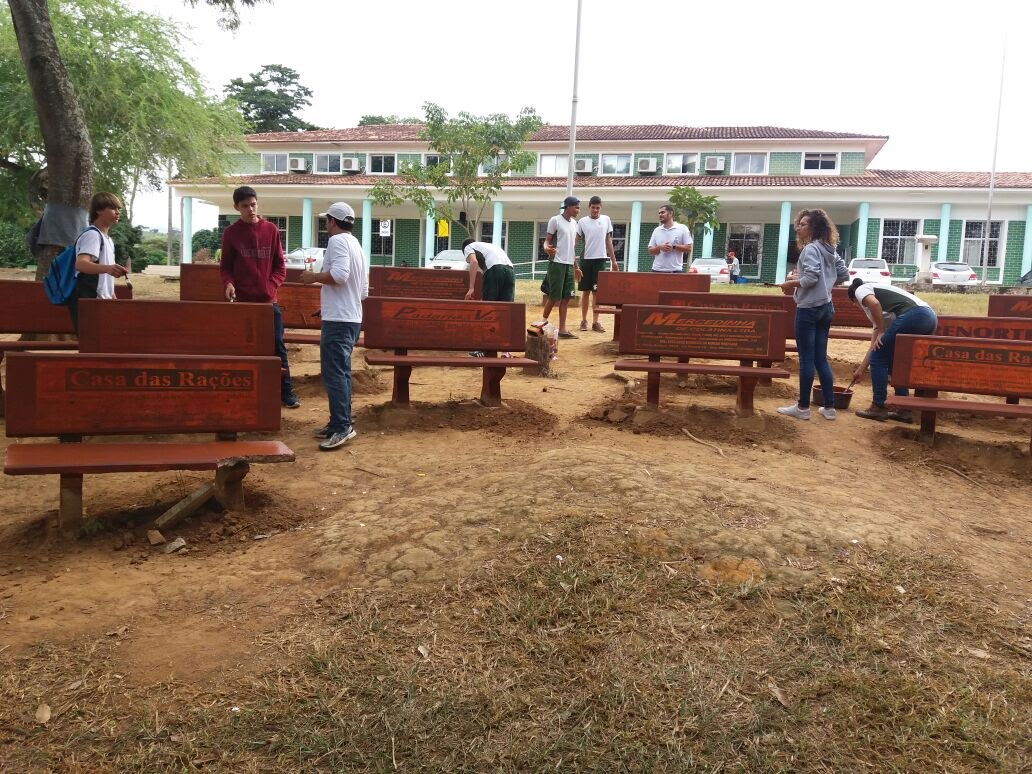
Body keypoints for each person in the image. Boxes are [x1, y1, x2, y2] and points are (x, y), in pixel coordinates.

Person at [219, 185, 300, 409]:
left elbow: (280, 267)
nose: (250, 209)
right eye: (245, 206)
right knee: (244, 347)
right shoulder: (231, 233)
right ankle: (245, 393)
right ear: (236, 207)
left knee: (278, 347)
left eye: (253, 204)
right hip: (243, 303)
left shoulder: (271, 230)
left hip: (269, 302)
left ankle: (286, 392)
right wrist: (229, 283)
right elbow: (225, 267)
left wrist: (270, 287)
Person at [300, 202, 368, 450]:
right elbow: (363, 291)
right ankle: (339, 422)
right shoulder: (356, 244)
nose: (326, 225)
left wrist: (313, 277)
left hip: (339, 319)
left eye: (326, 220)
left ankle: (342, 426)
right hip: (351, 316)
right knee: (341, 371)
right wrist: (330, 304)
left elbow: (339, 275)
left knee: (334, 373)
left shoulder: (337, 242)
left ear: (332, 221)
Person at [776, 209, 849, 421]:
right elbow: (843, 274)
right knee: (820, 358)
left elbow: (810, 279)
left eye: (803, 224)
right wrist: (826, 282)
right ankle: (829, 407)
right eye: (798, 224)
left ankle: (802, 408)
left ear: (814, 227)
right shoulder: (829, 249)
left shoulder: (810, 249)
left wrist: (790, 283)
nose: (798, 228)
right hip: (826, 308)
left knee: (807, 359)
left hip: (809, 309)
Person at [848, 278, 937, 423]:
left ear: (854, 300)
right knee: (894, 359)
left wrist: (882, 330)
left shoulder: (861, 289)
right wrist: (861, 370)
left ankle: (878, 406)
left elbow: (874, 304)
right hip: (929, 317)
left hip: (915, 314)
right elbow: (874, 347)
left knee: (879, 357)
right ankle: (903, 408)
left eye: (855, 303)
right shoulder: (883, 315)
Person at [68, 192, 129, 334]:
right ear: (99, 211)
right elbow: (81, 264)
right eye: (112, 208)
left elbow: (104, 278)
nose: (117, 212)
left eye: (118, 209)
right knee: (92, 343)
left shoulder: (107, 239)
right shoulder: (93, 235)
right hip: (90, 301)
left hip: (101, 301)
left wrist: (112, 297)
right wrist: (108, 268)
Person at [462, 238, 516, 357]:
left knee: (487, 311)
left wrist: (471, 288)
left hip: (495, 270)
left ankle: (482, 349)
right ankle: (506, 351)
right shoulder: (489, 246)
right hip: (510, 271)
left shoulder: (468, 247)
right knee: (505, 311)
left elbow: (474, 262)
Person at [575, 195, 619, 332]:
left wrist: (614, 261)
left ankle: (595, 322)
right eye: (593, 207)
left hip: (600, 260)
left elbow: (608, 241)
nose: (595, 210)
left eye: (597, 208)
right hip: (586, 260)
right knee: (586, 291)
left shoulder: (606, 220)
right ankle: (584, 321)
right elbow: (576, 241)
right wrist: (570, 257)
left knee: (597, 292)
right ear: (589, 207)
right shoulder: (582, 222)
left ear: (601, 207)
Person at [540, 195, 580, 338]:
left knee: (567, 297)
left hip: (569, 264)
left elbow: (571, 248)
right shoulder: (555, 220)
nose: (578, 210)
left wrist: (576, 267)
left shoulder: (574, 223)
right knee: (554, 296)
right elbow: (547, 240)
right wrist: (546, 248)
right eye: (576, 207)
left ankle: (562, 330)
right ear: (568, 207)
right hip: (557, 263)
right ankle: (542, 323)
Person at [647, 204, 693, 272]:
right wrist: (659, 247)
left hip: (675, 271)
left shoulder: (682, 228)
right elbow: (650, 251)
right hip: (656, 270)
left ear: (671, 213)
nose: (660, 215)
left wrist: (674, 247)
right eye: (659, 213)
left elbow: (689, 249)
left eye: (663, 212)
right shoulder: (657, 230)